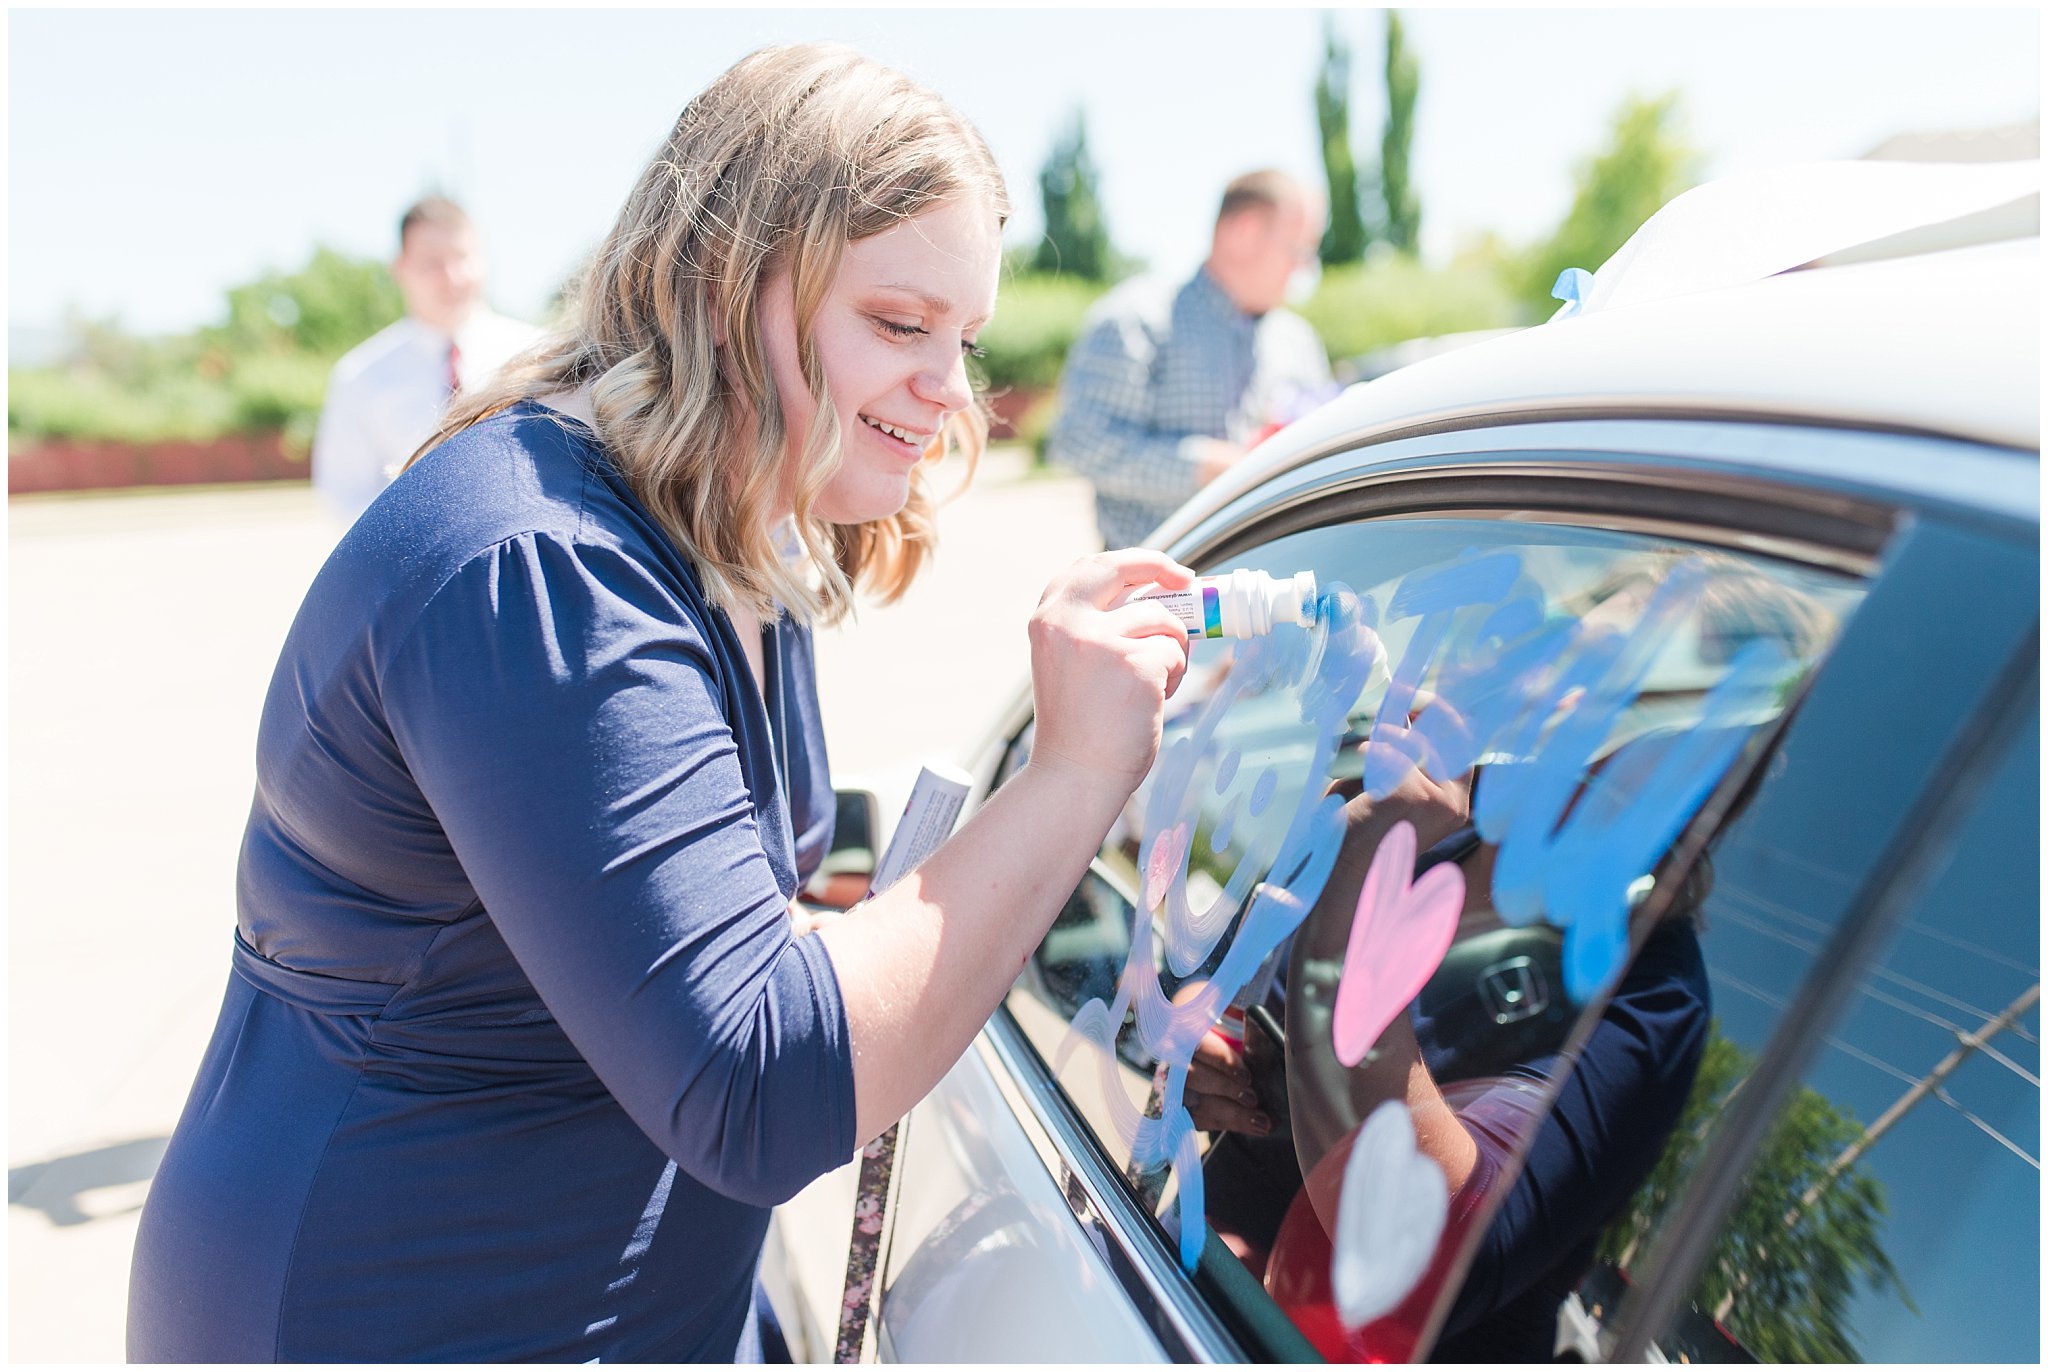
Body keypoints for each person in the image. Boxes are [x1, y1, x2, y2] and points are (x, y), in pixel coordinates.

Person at [127, 45, 1194, 1363]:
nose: (951, 392)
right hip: (402, 1312)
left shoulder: (722, 522)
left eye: (963, 340)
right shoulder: (539, 567)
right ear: (721, 287)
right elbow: (757, 1082)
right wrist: (1072, 776)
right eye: (901, 326)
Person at [1045, 170, 1333, 550]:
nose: (1306, 268)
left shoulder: (1299, 341)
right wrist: (1204, 466)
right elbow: (1076, 442)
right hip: (1158, 591)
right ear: (1243, 232)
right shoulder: (1135, 320)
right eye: (1298, 249)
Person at [310, 196, 542, 524]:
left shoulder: (539, 354)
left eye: (462, 257)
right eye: (432, 263)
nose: (453, 276)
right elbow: (346, 494)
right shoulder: (360, 375)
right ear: (400, 269)